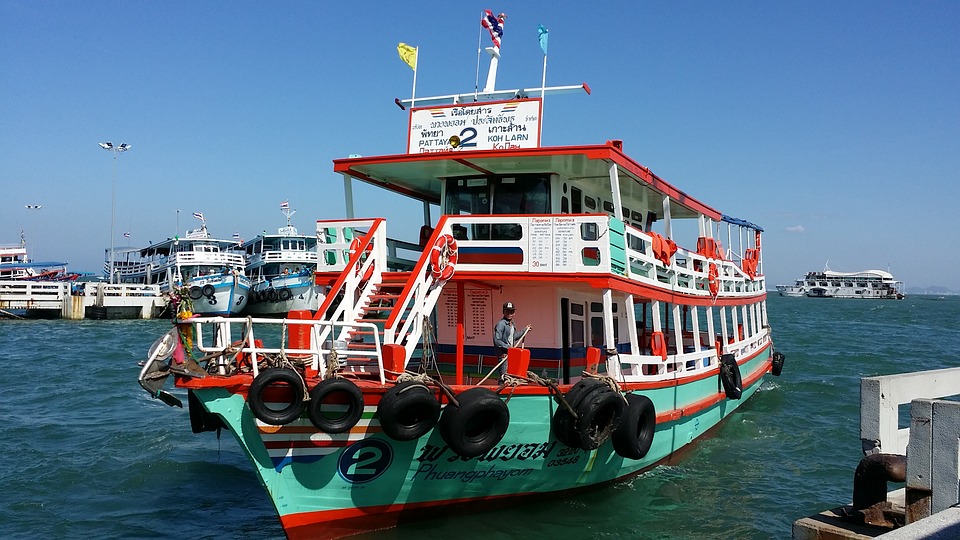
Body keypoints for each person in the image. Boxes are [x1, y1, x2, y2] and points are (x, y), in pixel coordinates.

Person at [493, 301, 530, 380]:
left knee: (511, 378)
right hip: (504, 357)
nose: (509, 314)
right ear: (503, 312)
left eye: (511, 312)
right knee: (504, 378)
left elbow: (514, 337)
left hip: (511, 356)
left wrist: (525, 330)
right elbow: (497, 340)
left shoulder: (512, 324)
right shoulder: (501, 324)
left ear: (514, 313)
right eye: (507, 311)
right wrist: (509, 348)